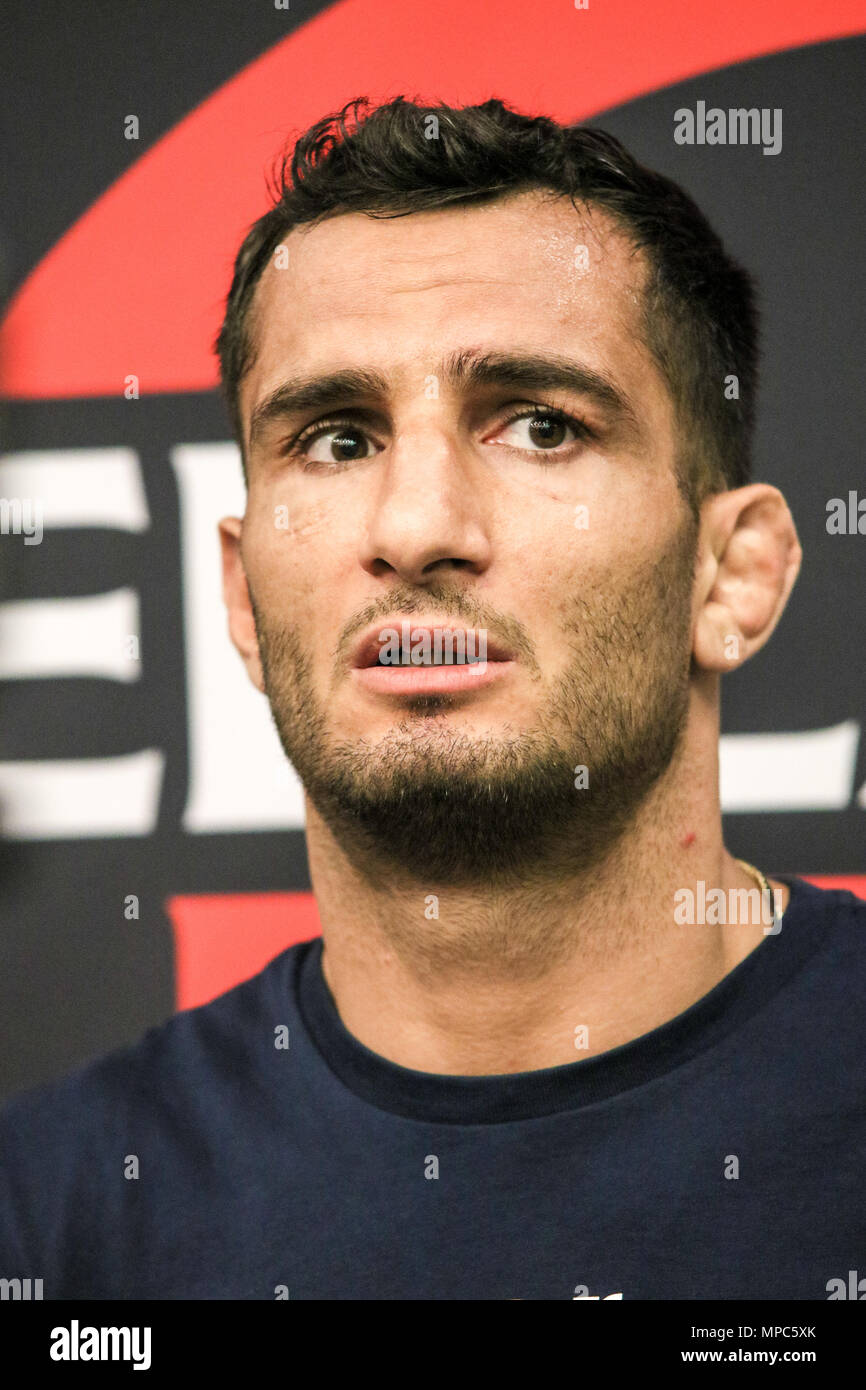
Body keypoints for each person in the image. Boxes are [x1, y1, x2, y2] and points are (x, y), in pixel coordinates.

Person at [1, 96, 863, 1301]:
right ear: (243, 599)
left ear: (731, 575)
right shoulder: (51, 1215)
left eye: (539, 425)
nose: (416, 528)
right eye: (339, 439)